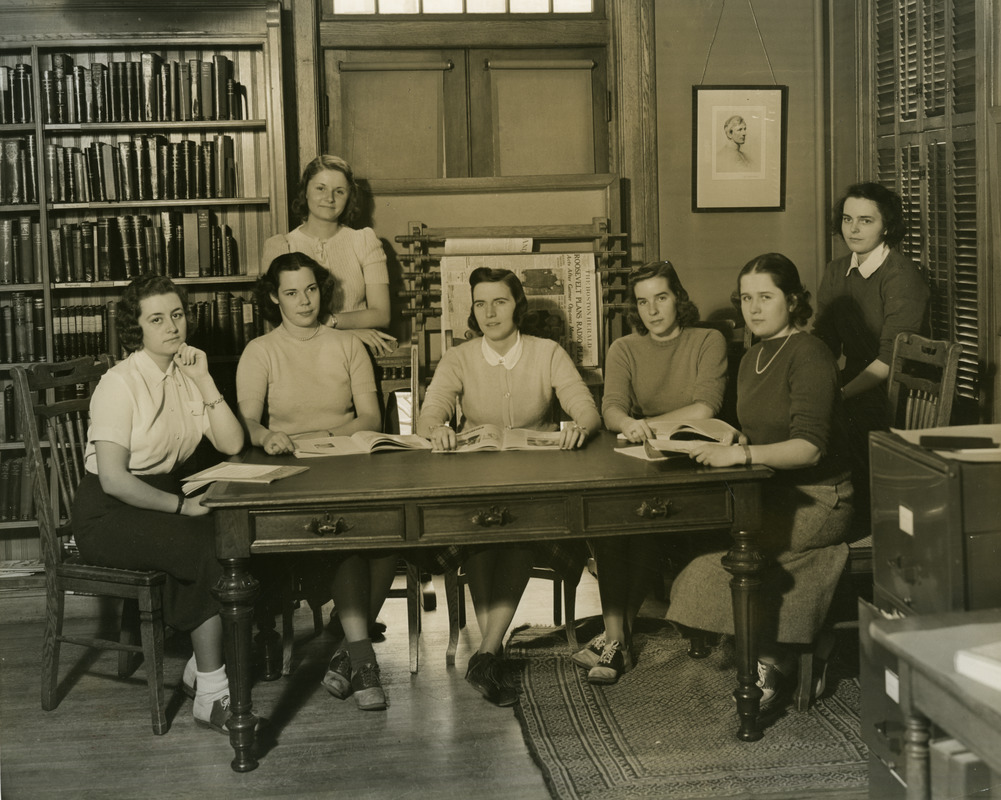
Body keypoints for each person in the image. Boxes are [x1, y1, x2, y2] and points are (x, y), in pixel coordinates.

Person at [667, 253, 854, 709]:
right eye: (746, 298)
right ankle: (801, 644)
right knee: (697, 564)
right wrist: (730, 435)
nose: (753, 308)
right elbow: (764, 424)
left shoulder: (809, 354)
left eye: (765, 297)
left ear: (792, 301)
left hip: (821, 498)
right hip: (769, 490)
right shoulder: (754, 354)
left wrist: (741, 453)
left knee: (733, 566)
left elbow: (809, 448)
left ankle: (779, 658)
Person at [414, 267, 601, 707]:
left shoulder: (546, 352)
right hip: (475, 478)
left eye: (499, 301)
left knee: (516, 534)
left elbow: (586, 411)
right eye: (480, 303)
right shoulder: (459, 357)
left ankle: (485, 652)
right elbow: (429, 413)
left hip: (536, 482)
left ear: (518, 304)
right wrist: (436, 428)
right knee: (481, 536)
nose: (489, 312)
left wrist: (578, 427)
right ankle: (488, 654)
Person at [71, 275, 245, 734]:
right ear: (137, 329)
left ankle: (200, 672)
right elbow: (112, 480)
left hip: (156, 502)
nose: (171, 326)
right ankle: (211, 692)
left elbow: (232, 442)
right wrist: (182, 508)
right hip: (108, 514)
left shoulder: (188, 374)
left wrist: (205, 380)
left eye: (177, 314)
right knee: (200, 541)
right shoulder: (120, 383)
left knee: (221, 535)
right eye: (156, 319)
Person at [236, 251, 396, 711]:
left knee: (389, 537)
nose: (303, 301)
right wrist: (268, 436)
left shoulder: (347, 345)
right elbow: (246, 423)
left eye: (310, 289)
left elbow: (368, 417)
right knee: (344, 532)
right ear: (274, 297)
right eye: (291, 292)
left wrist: (325, 436)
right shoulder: (260, 351)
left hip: (349, 459)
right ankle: (363, 660)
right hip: (292, 471)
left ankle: (349, 651)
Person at [571, 261, 727, 684]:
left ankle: (614, 642)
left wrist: (651, 425)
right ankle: (617, 641)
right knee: (613, 522)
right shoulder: (624, 348)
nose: (653, 310)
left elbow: (706, 407)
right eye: (643, 302)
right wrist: (629, 424)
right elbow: (611, 408)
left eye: (661, 297)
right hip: (642, 458)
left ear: (679, 296)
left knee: (644, 525)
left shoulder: (708, 339)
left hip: (695, 463)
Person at [813, 182, 929, 516]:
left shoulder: (902, 275)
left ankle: (849, 517)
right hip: (853, 381)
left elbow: (891, 361)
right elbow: (824, 341)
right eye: (848, 219)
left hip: (896, 389)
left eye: (866, 220)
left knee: (828, 425)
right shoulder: (837, 270)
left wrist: (838, 395)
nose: (853, 228)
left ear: (887, 226)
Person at [262, 154, 396, 356]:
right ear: (305, 191)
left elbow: (381, 314)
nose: (330, 198)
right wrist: (350, 333)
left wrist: (330, 322)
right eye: (320, 188)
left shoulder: (365, 241)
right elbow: (277, 319)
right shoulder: (281, 246)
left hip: (355, 353)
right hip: (298, 354)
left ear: (349, 197)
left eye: (339, 191)